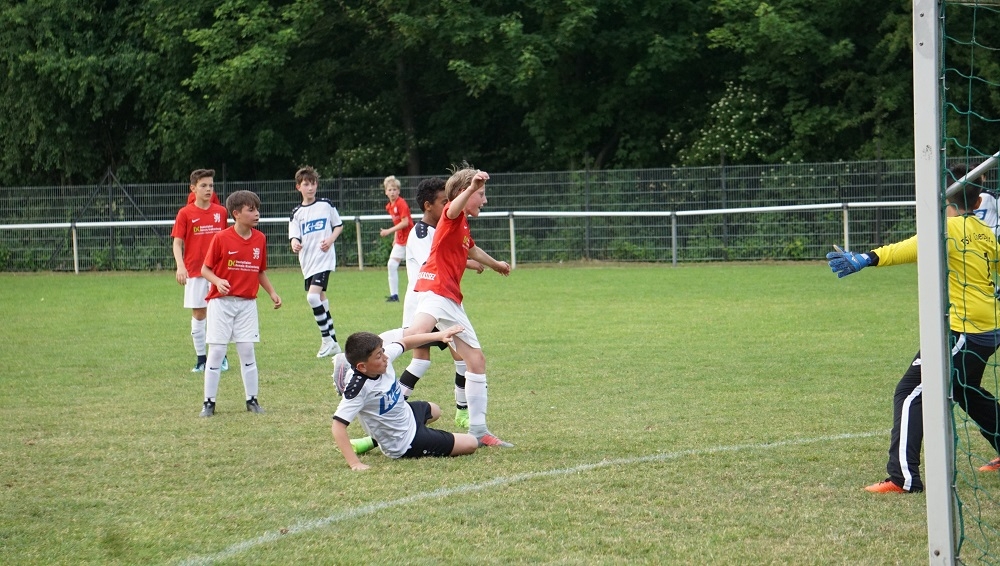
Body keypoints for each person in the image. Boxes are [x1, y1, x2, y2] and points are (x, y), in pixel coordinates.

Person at [827, 171, 1000, 492]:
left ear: (943, 197)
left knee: (910, 391)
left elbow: (909, 248)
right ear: (979, 201)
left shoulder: (946, 229)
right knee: (967, 391)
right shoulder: (986, 232)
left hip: (965, 330)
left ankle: (903, 478)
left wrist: (866, 258)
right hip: (989, 328)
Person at [405, 164, 513, 448]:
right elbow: (452, 208)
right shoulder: (452, 215)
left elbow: (471, 249)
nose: (484, 200)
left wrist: (496, 265)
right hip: (438, 291)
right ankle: (353, 361)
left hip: (446, 295)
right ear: (466, 192)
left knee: (474, 361)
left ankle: (478, 430)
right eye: (481, 194)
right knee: (417, 341)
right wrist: (472, 187)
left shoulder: (462, 223)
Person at [331, 325, 480, 470]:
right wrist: (355, 464)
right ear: (362, 367)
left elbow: (406, 342)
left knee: (435, 410)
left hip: (407, 414)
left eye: (382, 351)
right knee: (471, 443)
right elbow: (338, 426)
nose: (385, 357)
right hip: (404, 442)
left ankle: (373, 441)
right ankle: (384, 440)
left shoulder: (384, 358)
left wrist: (440, 335)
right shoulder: (359, 389)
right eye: (379, 356)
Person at [399, 177, 484, 430]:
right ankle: (393, 406)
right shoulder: (421, 232)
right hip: (424, 301)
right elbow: (432, 262)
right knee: (421, 360)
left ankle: (463, 411)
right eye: (443, 202)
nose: (448, 205)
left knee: (463, 358)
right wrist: (468, 262)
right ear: (428, 206)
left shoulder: (443, 228)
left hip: (441, 298)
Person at [199, 190, 282, 417]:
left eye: (257, 209)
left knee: (247, 350)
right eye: (251, 210)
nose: (257, 214)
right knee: (217, 351)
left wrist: (272, 293)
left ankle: (252, 400)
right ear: (236, 214)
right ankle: (209, 402)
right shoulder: (221, 238)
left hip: (247, 304)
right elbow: (205, 269)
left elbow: (259, 271)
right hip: (221, 303)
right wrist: (218, 281)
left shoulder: (260, 238)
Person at [171, 169, 229, 373]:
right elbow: (177, 243)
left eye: (211, 185)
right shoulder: (185, 213)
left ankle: (221, 358)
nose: (208, 189)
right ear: (193, 188)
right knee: (199, 313)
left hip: (218, 272)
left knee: (219, 314)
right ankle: (201, 359)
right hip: (195, 271)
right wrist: (180, 265)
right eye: (203, 185)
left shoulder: (221, 212)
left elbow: (226, 240)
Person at [289, 166, 344, 358]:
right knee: (320, 298)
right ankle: (334, 342)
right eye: (306, 184)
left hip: (324, 260)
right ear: (298, 187)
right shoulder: (296, 212)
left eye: (313, 184)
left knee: (312, 297)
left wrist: (330, 240)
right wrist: (294, 243)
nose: (310, 188)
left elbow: (338, 225)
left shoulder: (325, 205)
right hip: (308, 262)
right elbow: (294, 236)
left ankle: (326, 339)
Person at [379, 175, 414, 303]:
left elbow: (405, 222)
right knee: (392, 265)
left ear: (398, 191)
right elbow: (398, 223)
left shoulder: (401, 203)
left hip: (411, 239)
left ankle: (419, 292)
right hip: (401, 240)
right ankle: (394, 295)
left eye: (394, 189)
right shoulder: (389, 206)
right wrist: (395, 237)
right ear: (386, 192)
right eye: (390, 190)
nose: (392, 192)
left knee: (416, 265)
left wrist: (388, 231)